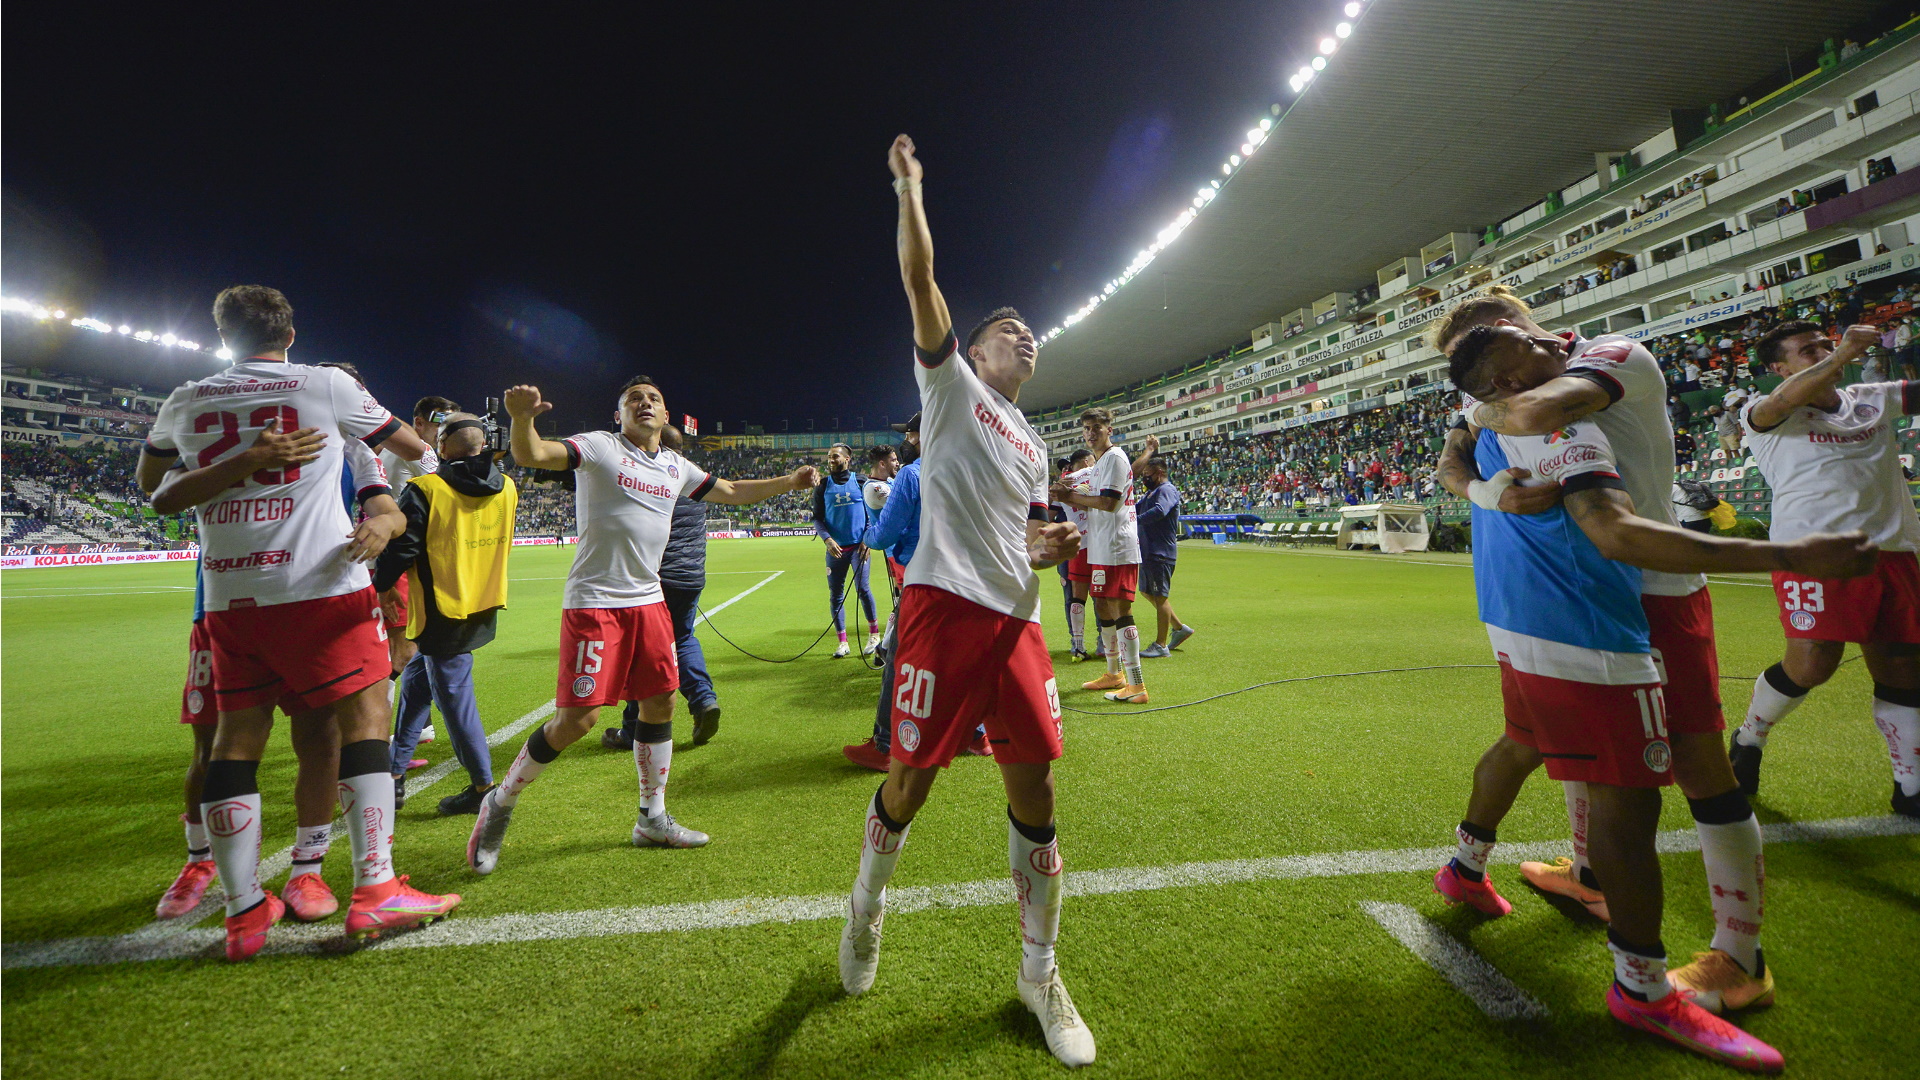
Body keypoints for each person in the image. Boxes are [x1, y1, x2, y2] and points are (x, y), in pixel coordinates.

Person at [1439, 322, 1871, 1070]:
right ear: (1502, 374)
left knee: (1678, 771)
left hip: (1643, 590)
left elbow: (1514, 424)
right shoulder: (1530, 403)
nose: (1545, 338)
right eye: (1524, 339)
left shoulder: (1603, 356)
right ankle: (1621, 941)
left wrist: (1485, 435)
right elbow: (1480, 456)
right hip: (1594, 597)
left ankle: (1736, 955)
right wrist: (1490, 478)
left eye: (1530, 324)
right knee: (1617, 783)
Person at [839, 135, 1091, 1067]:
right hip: (943, 611)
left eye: (1033, 335)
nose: (1026, 338)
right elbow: (921, 282)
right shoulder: (948, 390)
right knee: (911, 786)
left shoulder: (1035, 445)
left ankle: (1038, 970)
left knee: (1037, 792)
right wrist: (908, 188)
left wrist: (1051, 546)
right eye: (1008, 330)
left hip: (1016, 622)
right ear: (973, 349)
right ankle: (865, 911)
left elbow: (1029, 537)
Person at [137, 284, 455, 959]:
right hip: (318, 588)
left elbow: (154, 490)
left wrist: (241, 463)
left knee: (234, 742)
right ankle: (377, 890)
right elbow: (414, 448)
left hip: (229, 599)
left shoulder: (185, 399)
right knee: (366, 723)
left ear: (222, 336)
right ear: (290, 331)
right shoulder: (325, 386)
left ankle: (246, 912)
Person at [469, 377, 816, 869]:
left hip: (649, 600)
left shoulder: (675, 466)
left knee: (660, 702)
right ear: (620, 415)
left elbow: (734, 489)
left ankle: (651, 817)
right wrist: (522, 418)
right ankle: (499, 802)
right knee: (579, 720)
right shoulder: (600, 447)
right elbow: (533, 456)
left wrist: (788, 483)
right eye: (634, 399)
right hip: (595, 603)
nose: (644, 403)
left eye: (653, 398)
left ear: (666, 413)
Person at [154, 428, 399, 923]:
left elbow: (390, 504)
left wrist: (385, 524)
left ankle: (307, 868)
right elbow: (160, 490)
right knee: (212, 747)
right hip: (224, 610)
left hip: (312, 612)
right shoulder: (223, 436)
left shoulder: (350, 452)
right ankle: (200, 862)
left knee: (321, 739)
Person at [1729, 322, 1920, 816]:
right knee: (1813, 662)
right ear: (1779, 368)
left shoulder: (1870, 398)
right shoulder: (1762, 412)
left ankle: (1911, 784)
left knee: (1901, 665)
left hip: (1892, 551)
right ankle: (1749, 739)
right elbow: (1781, 403)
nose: (1821, 352)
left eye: (1823, 345)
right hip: (1812, 555)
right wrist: (1840, 357)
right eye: (1806, 350)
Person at [374, 412, 517, 816]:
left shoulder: (424, 489)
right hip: (483, 602)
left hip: (441, 607)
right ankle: (395, 771)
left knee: (455, 702)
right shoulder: (507, 486)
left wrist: (382, 588)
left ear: (440, 448)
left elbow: (400, 551)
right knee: (419, 679)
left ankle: (483, 787)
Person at [602, 494, 725, 751]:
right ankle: (703, 700)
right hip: (690, 574)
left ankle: (632, 728)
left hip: (655, 576)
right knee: (682, 638)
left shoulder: (649, 474)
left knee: (641, 646)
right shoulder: (691, 475)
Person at [1054, 407, 1147, 703]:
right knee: (1104, 606)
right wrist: (1066, 490)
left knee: (1121, 609)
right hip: (1101, 546)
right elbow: (1088, 492)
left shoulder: (1116, 458)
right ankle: (1113, 673)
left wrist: (1072, 496)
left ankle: (1137, 685)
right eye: (1086, 429)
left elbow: (1108, 502)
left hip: (1118, 546)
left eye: (1096, 427)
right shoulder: (1101, 463)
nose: (1091, 433)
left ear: (1109, 428)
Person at [381, 395, 452, 749]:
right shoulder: (416, 452)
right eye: (440, 421)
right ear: (419, 423)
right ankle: (374, 734)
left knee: (418, 644)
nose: (446, 429)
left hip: (410, 558)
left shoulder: (407, 452)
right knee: (403, 651)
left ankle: (420, 724)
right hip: (401, 558)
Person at [814, 442, 880, 658]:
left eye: (835, 457)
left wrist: (867, 538)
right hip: (836, 550)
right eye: (829, 457)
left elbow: (872, 511)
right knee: (836, 595)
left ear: (847, 459)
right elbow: (817, 518)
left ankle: (874, 635)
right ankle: (842, 642)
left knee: (863, 589)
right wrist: (827, 540)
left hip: (858, 548)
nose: (831, 460)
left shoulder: (861, 481)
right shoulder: (822, 486)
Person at [1130, 438, 1191, 657]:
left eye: (1147, 474)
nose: (1144, 478)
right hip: (1149, 552)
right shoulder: (1150, 492)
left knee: (1160, 595)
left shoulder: (1166, 490)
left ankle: (1161, 644)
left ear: (1158, 472)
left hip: (1160, 553)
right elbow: (1134, 509)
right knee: (1147, 591)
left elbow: (1159, 511)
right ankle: (1179, 628)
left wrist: (1133, 521)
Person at [1053, 448, 1097, 660]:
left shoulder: (1060, 485)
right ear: (1088, 461)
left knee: (1075, 596)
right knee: (1102, 596)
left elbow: (1046, 511)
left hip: (1076, 546)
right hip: (1098, 544)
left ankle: (1078, 645)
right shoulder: (1096, 473)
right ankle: (1104, 644)